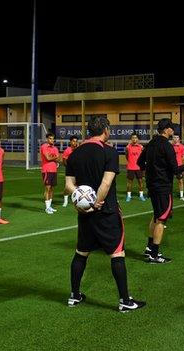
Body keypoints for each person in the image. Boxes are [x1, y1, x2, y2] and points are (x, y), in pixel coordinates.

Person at [64, 115, 145, 312]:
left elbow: (68, 185)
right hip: (106, 211)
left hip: (84, 214)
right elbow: (106, 183)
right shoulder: (109, 152)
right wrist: (97, 203)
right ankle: (125, 301)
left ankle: (74, 295)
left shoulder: (75, 154)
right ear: (106, 130)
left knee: (81, 253)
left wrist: (81, 204)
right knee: (117, 253)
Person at [137, 119, 184, 263]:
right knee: (161, 219)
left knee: (156, 216)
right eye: (172, 128)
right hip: (163, 187)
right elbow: (175, 169)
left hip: (152, 185)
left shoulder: (151, 143)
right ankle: (154, 254)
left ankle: (150, 249)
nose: (173, 131)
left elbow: (139, 163)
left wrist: (152, 171)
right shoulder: (167, 146)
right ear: (166, 130)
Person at [40, 133, 60, 214]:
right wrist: (55, 157)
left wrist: (54, 158)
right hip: (47, 170)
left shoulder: (55, 148)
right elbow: (48, 158)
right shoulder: (44, 146)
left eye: (53, 138)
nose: (52, 140)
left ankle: (50, 206)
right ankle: (47, 208)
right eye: (50, 138)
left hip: (54, 170)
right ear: (47, 139)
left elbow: (58, 159)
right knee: (47, 188)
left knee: (51, 189)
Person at [125, 134, 146, 202]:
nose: (134, 139)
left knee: (140, 182)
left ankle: (141, 195)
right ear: (131, 139)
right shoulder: (128, 147)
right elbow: (126, 156)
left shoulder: (141, 147)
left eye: (135, 138)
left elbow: (143, 157)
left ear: (138, 139)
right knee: (129, 182)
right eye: (133, 138)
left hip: (139, 167)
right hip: (130, 167)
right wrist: (131, 162)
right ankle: (128, 196)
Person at [61, 136, 79, 207]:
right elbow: (64, 161)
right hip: (70, 171)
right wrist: (69, 168)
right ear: (70, 142)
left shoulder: (78, 150)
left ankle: (77, 200)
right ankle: (65, 201)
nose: (75, 143)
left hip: (78, 171)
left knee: (77, 186)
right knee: (68, 187)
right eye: (73, 141)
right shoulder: (67, 150)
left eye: (76, 141)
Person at [172, 135, 184, 201]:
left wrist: (179, 161)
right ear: (172, 138)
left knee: (180, 181)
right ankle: (168, 195)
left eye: (177, 137)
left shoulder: (182, 146)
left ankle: (181, 196)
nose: (176, 139)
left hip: (179, 166)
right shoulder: (170, 146)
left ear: (179, 138)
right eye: (174, 137)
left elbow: (183, 156)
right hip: (170, 166)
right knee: (169, 181)